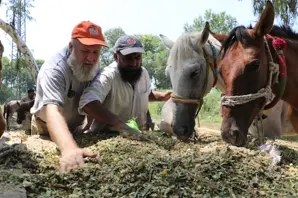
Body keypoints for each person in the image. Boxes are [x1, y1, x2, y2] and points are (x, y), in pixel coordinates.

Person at [30, 21, 141, 173]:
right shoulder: (54, 70)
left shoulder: (93, 66)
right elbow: (52, 112)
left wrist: (87, 126)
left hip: (74, 129)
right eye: (85, 51)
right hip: (46, 129)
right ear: (71, 47)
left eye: (95, 52)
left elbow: (89, 95)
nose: (90, 58)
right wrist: (69, 149)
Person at [81, 35, 172, 133]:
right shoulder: (108, 76)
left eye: (138, 57)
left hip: (137, 137)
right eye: (128, 58)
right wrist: (117, 123)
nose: (134, 63)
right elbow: (88, 102)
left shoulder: (143, 73)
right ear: (116, 57)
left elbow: (144, 94)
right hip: (106, 136)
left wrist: (162, 97)